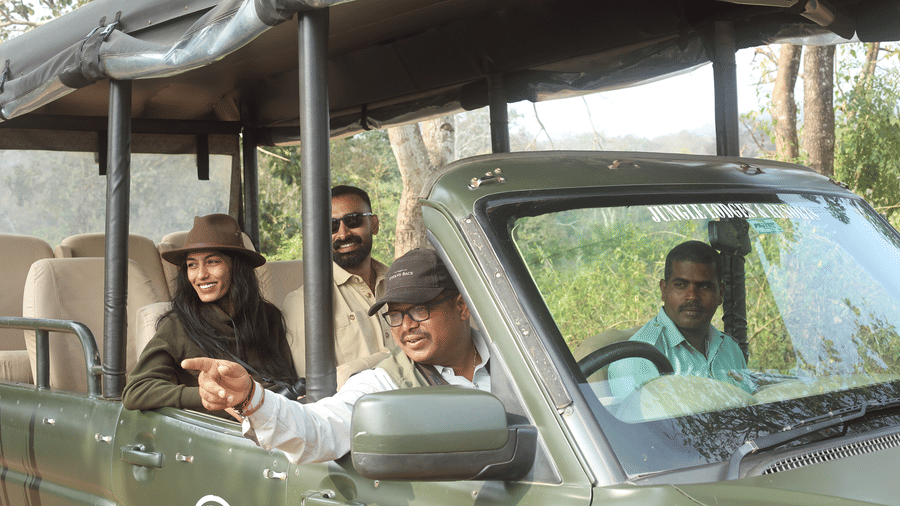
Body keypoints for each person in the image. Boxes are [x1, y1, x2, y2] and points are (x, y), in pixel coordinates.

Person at [182, 248, 490, 464]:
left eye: (419, 309)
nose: (407, 325)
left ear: (462, 307)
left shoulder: (519, 362)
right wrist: (251, 398)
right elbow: (318, 428)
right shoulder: (386, 383)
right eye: (395, 315)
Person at [122, 214, 300, 418]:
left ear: (237, 266)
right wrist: (208, 396)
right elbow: (135, 392)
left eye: (212, 262)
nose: (200, 275)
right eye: (192, 265)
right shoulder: (178, 325)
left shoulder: (268, 318)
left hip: (276, 424)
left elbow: (287, 379)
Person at [607, 240, 751, 398]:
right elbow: (648, 422)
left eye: (704, 286)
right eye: (681, 285)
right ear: (664, 290)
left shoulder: (730, 349)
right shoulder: (637, 358)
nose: (692, 296)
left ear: (721, 294)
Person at [283, 185, 394, 387]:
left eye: (353, 220)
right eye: (331, 226)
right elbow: (318, 388)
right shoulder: (305, 302)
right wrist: (397, 359)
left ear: (374, 224)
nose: (343, 234)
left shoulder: (400, 284)